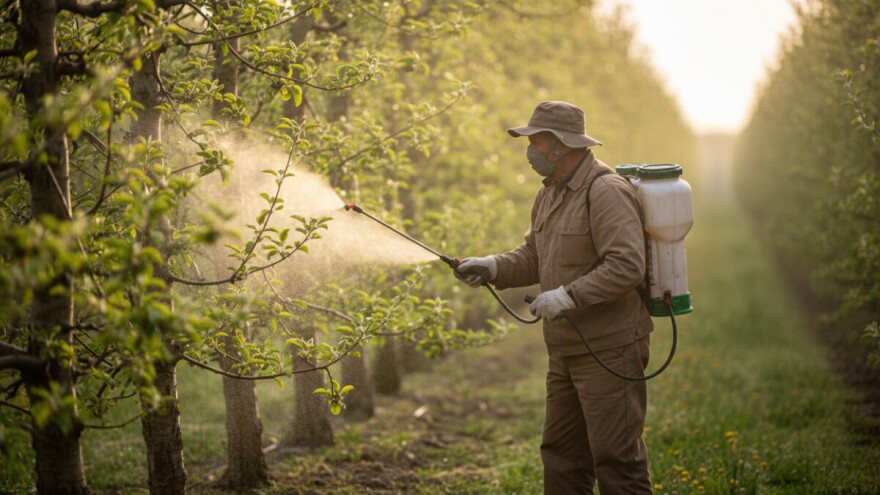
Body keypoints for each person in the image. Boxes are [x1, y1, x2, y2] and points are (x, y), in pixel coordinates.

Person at [456, 101, 654, 494]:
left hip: (609, 350)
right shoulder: (548, 194)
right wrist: (493, 266)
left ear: (560, 145)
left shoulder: (606, 192)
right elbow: (535, 255)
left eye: (535, 141)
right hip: (564, 350)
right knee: (562, 458)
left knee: (617, 462)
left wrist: (568, 296)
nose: (529, 150)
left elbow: (628, 264)